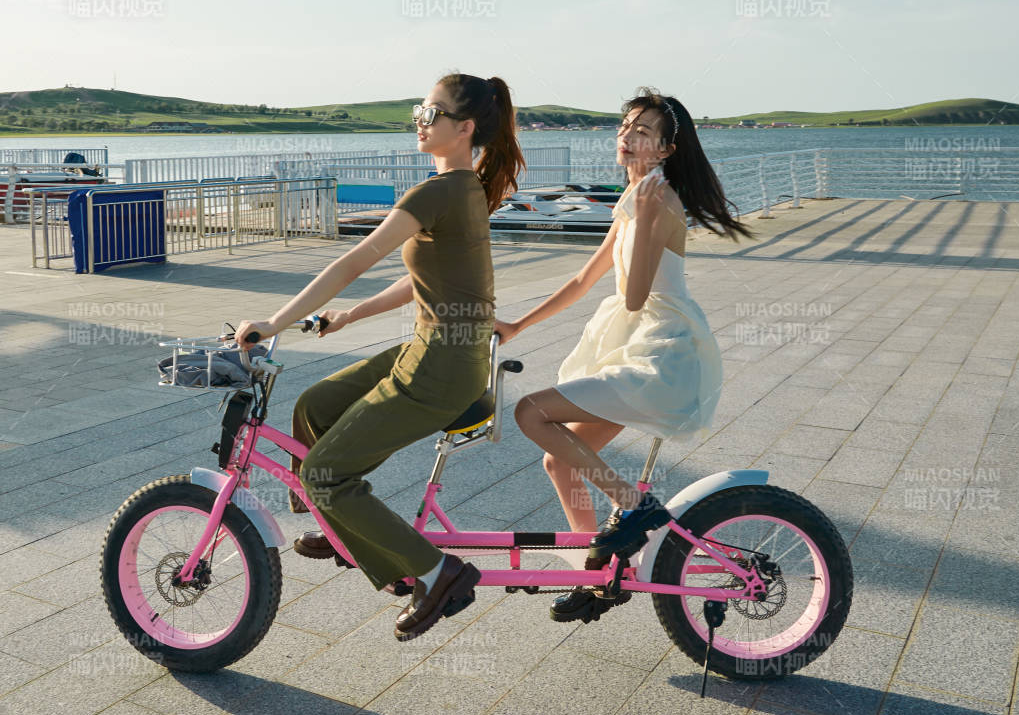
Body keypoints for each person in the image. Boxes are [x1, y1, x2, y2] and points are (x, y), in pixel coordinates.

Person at [233, 72, 525, 642]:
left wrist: (276, 322)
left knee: (323, 473)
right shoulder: (461, 188)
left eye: (431, 112)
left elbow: (354, 260)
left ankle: (439, 573)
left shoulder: (441, 192)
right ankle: (337, 522)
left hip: (440, 367)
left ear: (464, 128)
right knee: (315, 406)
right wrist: (347, 317)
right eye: (421, 108)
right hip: (437, 351)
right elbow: (423, 281)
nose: (420, 119)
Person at [493, 87, 751, 621]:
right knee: (557, 460)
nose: (627, 138)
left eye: (642, 132)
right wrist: (519, 323)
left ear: (666, 150)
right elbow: (583, 278)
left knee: (530, 412)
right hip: (635, 345)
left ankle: (634, 507)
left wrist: (641, 214)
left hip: (662, 353)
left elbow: (634, 295)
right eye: (624, 128)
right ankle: (597, 576)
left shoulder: (658, 199)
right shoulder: (635, 196)